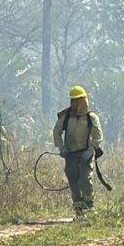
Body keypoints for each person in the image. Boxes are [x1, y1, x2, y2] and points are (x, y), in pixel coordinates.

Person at [53, 86, 104, 220]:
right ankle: (79, 211)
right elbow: (56, 132)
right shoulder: (66, 117)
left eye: (77, 101)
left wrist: (91, 150)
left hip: (85, 155)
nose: (74, 104)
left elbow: (98, 136)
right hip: (70, 154)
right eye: (73, 100)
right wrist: (61, 148)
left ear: (84, 101)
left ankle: (90, 206)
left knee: (85, 180)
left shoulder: (91, 117)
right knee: (73, 182)